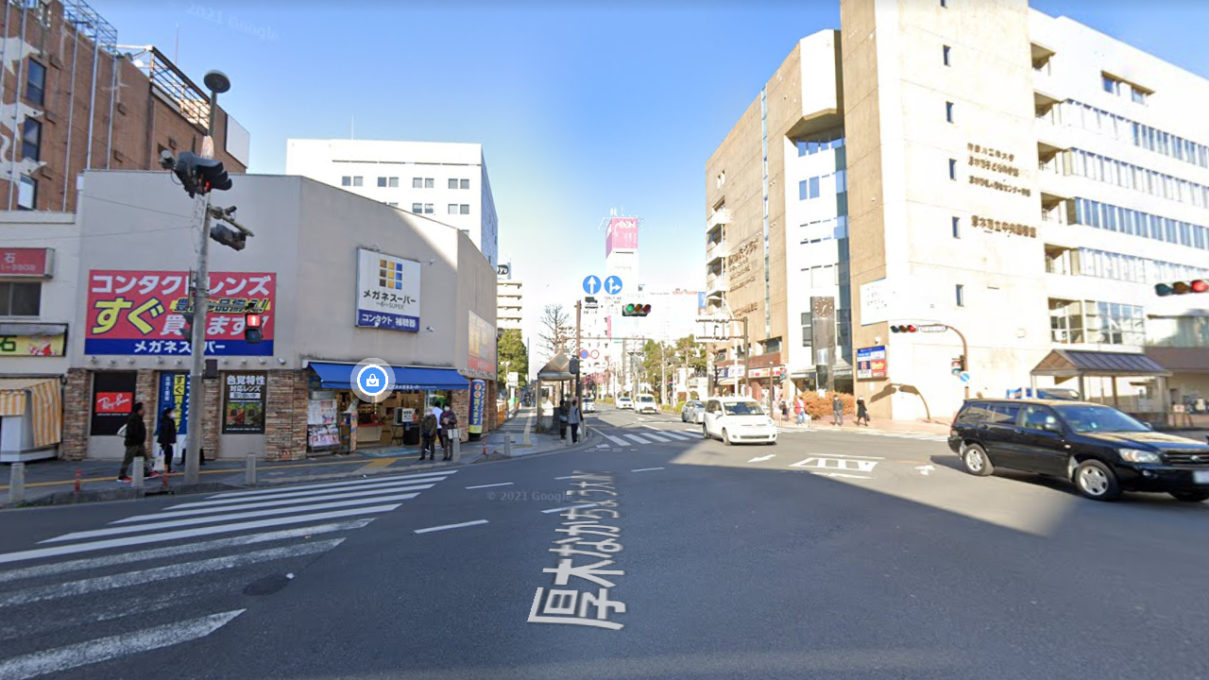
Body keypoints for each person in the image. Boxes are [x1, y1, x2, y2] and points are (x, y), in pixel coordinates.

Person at [118, 401, 149, 482]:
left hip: (139, 443)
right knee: (128, 459)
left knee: (143, 457)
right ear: (139, 410)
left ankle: (147, 472)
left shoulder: (138, 418)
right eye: (143, 409)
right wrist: (138, 438)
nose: (145, 410)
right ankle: (122, 476)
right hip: (133, 443)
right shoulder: (133, 419)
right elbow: (132, 431)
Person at [157, 407, 177, 473]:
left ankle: (167, 468)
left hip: (167, 441)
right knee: (167, 455)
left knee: (167, 455)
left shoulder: (169, 421)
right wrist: (167, 442)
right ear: (168, 413)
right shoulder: (167, 421)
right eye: (172, 412)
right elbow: (166, 432)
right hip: (167, 442)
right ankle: (166, 469)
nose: (173, 414)